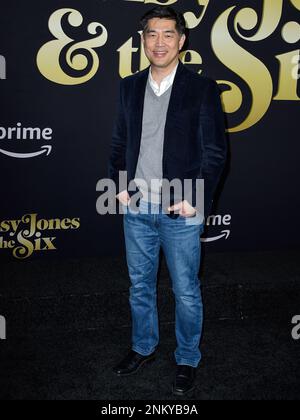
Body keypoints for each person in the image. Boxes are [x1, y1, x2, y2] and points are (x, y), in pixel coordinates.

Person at [108, 6, 227, 396]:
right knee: (139, 285)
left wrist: (197, 198)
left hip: (183, 208)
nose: (159, 42)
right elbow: (119, 144)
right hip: (138, 207)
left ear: (182, 40)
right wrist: (120, 185)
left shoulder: (202, 88)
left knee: (186, 290)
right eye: (151, 35)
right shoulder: (129, 85)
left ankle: (188, 357)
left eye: (167, 34)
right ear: (142, 40)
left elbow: (214, 152)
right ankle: (143, 347)